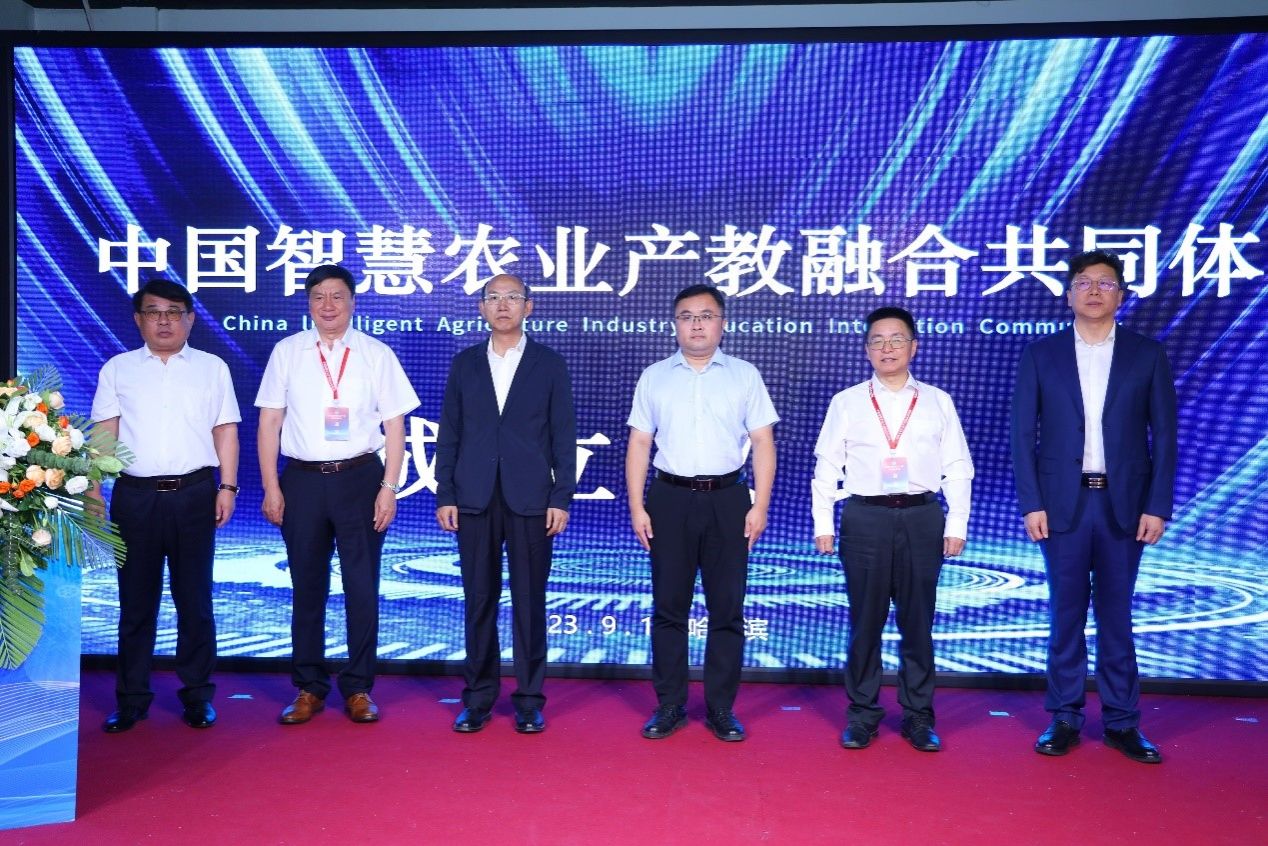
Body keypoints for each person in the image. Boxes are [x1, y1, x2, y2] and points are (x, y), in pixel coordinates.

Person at [1010, 249, 1177, 764]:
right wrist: (1032, 502)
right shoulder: (1042, 354)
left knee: (1116, 615)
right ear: (1068, 295)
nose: (1094, 290)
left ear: (1121, 295)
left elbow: (1165, 435)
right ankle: (1064, 717)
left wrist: (1158, 504)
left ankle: (1123, 722)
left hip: (1125, 505)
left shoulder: (1146, 354)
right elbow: (1022, 435)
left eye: (1105, 283)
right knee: (1065, 613)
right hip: (1062, 503)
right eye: (1083, 282)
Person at [256, 264, 419, 725]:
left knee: (362, 587)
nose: (328, 306)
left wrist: (389, 488)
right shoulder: (287, 352)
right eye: (319, 297)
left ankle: (359, 688)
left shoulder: (376, 353)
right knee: (307, 585)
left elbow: (395, 426)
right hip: (302, 481)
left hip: (360, 479)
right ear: (308, 304)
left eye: (337, 296)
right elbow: (269, 422)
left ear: (352, 302)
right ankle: (308, 687)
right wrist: (271, 485)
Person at [811, 306, 973, 753]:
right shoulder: (847, 402)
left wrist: (957, 522)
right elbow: (827, 465)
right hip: (865, 517)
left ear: (913, 347)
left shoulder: (938, 401)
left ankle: (918, 715)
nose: (887, 348)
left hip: (922, 517)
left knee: (917, 622)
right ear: (866, 350)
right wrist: (823, 523)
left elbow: (958, 465)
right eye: (878, 341)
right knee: (865, 622)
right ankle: (862, 714)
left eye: (897, 339)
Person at [625, 284, 778, 742]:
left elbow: (763, 442)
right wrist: (637, 506)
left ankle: (720, 708)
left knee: (727, 608)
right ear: (675, 324)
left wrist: (760, 505)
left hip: (728, 499)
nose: (696, 324)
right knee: (669, 607)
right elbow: (640, 442)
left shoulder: (744, 375)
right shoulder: (655, 376)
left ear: (722, 323)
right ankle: (669, 705)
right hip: (669, 499)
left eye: (706, 315)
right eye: (687, 316)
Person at [90, 278, 240, 733]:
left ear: (190, 319)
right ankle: (132, 699)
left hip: (194, 494)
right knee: (136, 603)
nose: (164, 321)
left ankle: (197, 695)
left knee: (195, 601)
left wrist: (227, 487)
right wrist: (94, 490)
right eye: (154, 312)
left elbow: (225, 430)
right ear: (139, 320)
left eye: (174, 312)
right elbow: (105, 433)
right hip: (134, 497)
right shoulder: (118, 369)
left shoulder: (212, 368)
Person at [435, 274, 576, 734]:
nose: (502, 305)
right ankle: (477, 698)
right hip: (473, 498)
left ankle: (530, 700)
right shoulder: (465, 364)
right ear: (481, 308)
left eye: (512, 297)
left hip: (531, 499)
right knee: (479, 600)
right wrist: (446, 493)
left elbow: (563, 436)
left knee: (530, 602)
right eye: (493, 298)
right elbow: (450, 433)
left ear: (528, 307)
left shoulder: (548, 364)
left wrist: (561, 496)